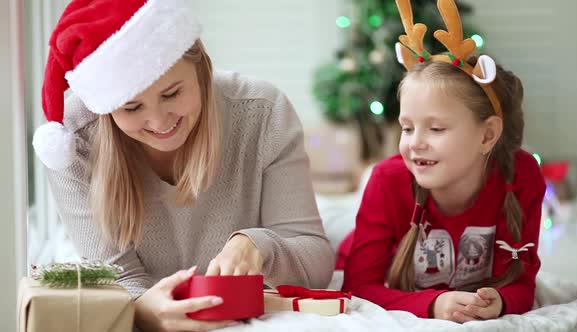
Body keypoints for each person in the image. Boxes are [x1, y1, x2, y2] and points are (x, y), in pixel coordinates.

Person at [32, 0, 334, 331]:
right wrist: (144, 312)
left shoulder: (262, 112)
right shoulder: (72, 139)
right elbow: (116, 279)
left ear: (201, 67)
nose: (159, 121)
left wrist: (258, 246)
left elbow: (316, 262)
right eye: (131, 108)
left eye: (172, 93)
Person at [340, 0, 546, 323]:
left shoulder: (520, 176)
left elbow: (522, 284)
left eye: (435, 128)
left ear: (487, 136)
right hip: (356, 254)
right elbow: (358, 287)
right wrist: (434, 304)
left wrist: (501, 301)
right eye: (407, 128)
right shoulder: (387, 179)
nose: (415, 143)